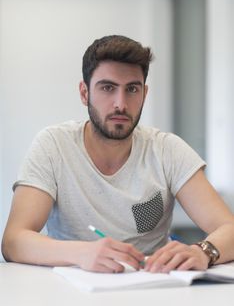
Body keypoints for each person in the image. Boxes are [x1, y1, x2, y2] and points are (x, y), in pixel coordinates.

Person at [2, 35, 234, 273]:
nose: (120, 104)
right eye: (107, 88)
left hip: (155, 286)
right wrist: (82, 252)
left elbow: (229, 228)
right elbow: (13, 241)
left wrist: (202, 251)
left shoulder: (167, 149)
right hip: (72, 287)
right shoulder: (53, 145)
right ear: (84, 93)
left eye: (132, 89)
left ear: (144, 94)